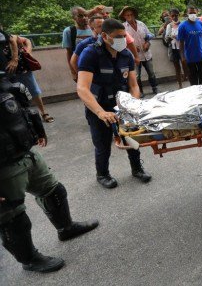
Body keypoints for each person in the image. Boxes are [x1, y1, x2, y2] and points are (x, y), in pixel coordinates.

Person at [0, 71, 99, 273]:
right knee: (12, 217)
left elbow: (24, 110)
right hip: (3, 168)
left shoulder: (4, 83)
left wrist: (37, 130)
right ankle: (29, 259)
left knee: (54, 191)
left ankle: (66, 228)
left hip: (26, 152)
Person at [76, 18, 152, 189]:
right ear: (104, 36)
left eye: (124, 36)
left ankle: (137, 169)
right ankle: (102, 174)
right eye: (118, 36)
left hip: (122, 105)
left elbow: (133, 84)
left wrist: (133, 103)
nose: (122, 40)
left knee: (131, 138)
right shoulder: (91, 54)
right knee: (103, 144)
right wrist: (100, 112)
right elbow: (82, 88)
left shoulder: (126, 55)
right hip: (99, 106)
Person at [70, 16, 139, 82]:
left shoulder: (116, 42)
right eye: (100, 26)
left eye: (104, 25)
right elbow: (73, 61)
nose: (103, 28)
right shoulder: (85, 44)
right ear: (92, 28)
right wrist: (83, 76)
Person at [11, 35, 54, 123]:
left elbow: (27, 40)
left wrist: (28, 51)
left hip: (23, 69)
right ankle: (24, 117)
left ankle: (43, 113)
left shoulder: (10, 37)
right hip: (9, 73)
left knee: (34, 90)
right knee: (16, 94)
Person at [119, 6, 159, 96]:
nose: (129, 16)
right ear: (124, 16)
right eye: (127, 15)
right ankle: (140, 92)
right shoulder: (123, 27)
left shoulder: (141, 24)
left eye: (131, 14)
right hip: (134, 56)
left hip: (146, 54)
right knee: (137, 76)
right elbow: (122, 41)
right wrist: (130, 47)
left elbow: (149, 34)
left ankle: (155, 88)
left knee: (151, 73)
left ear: (134, 15)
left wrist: (148, 43)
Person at [178, 5, 202, 86]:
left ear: (197, 12)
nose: (192, 14)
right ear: (187, 14)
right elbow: (181, 42)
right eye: (190, 13)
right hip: (189, 57)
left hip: (201, 55)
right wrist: (182, 57)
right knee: (193, 79)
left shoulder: (201, 24)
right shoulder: (182, 26)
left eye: (194, 12)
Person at [62, 6, 93, 81]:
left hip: (95, 64)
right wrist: (73, 71)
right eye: (80, 16)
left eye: (86, 15)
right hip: (79, 66)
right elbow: (69, 52)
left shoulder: (94, 28)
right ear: (74, 18)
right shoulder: (69, 31)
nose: (84, 18)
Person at [165, 8, 189, 88]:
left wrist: (179, 36)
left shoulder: (183, 24)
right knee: (177, 67)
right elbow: (166, 38)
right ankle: (180, 85)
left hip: (182, 48)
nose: (175, 17)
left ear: (179, 15)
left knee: (184, 63)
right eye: (173, 16)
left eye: (176, 15)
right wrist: (170, 37)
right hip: (173, 49)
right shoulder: (169, 26)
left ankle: (186, 77)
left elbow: (187, 35)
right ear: (170, 16)